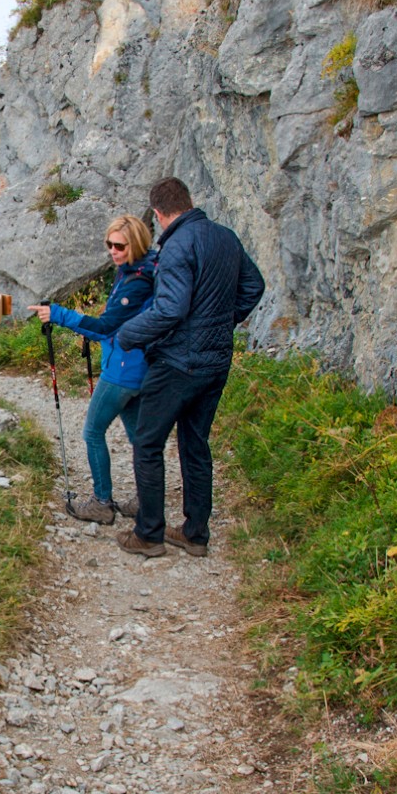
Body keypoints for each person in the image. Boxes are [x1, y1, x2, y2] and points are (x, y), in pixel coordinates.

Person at [113, 177, 265, 558]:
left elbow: (171, 309)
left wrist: (128, 334)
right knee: (195, 444)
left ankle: (149, 534)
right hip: (216, 361)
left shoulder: (178, 244)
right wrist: (220, 323)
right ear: (189, 201)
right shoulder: (225, 237)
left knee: (147, 442)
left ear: (159, 214)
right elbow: (254, 286)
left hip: (179, 363)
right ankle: (195, 534)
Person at [27, 214, 157, 525]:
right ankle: (145, 500)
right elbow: (112, 324)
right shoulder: (139, 272)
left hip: (122, 371)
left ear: (136, 244)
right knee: (139, 437)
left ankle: (102, 503)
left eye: (120, 246)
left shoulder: (137, 282)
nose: (113, 251)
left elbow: (106, 326)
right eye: (109, 244)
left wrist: (57, 314)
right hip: (140, 369)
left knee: (93, 432)